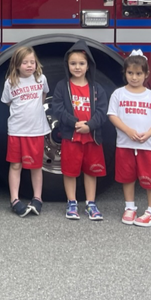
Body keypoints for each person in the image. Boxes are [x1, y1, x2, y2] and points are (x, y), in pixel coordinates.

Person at [49, 41, 110, 221]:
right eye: (73, 63)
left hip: (92, 138)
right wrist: (75, 123)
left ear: (88, 65)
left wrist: (89, 125)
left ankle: (91, 203)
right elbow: (57, 108)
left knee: (91, 171)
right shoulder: (62, 86)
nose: (77, 67)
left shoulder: (97, 88)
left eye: (81, 63)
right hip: (71, 137)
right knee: (70, 171)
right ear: (67, 65)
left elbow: (102, 111)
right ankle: (72, 202)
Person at [107, 49, 151, 227]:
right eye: (130, 73)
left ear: (146, 74)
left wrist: (148, 134)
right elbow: (112, 115)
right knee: (127, 177)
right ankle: (130, 207)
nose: (134, 77)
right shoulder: (118, 94)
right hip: (125, 143)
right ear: (124, 73)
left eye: (138, 73)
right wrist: (127, 130)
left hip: (148, 145)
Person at [1, 46, 50, 217]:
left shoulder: (41, 79)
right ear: (16, 65)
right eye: (25, 62)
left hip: (36, 130)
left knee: (36, 166)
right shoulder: (10, 82)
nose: (29, 66)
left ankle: (37, 198)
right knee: (16, 165)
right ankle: (14, 199)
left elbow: (43, 96)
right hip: (16, 130)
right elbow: (8, 102)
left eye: (32, 62)